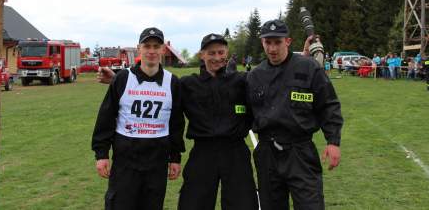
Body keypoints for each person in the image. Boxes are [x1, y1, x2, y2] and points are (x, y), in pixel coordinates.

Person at [247, 19, 343, 210]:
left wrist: (333, 142)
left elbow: (329, 105)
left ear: (288, 41)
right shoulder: (254, 76)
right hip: (267, 154)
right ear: (262, 43)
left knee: (311, 205)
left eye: (277, 42)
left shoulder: (308, 68)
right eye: (268, 42)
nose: (272, 48)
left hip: (300, 151)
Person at [91, 27, 185, 210]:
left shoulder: (172, 82)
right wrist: (101, 154)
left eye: (156, 46)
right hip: (126, 160)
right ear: (139, 48)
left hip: (157, 162)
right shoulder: (123, 78)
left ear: (163, 50)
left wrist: (175, 157)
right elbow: (106, 117)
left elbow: (176, 123)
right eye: (147, 46)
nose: (151, 51)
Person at [178, 33, 258, 210]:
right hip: (203, 153)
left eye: (221, 52)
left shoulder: (241, 81)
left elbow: (272, 80)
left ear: (227, 53)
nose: (217, 58)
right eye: (211, 53)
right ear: (202, 55)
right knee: (193, 203)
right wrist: (116, 80)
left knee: (243, 203)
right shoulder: (188, 84)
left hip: (235, 151)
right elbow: (158, 90)